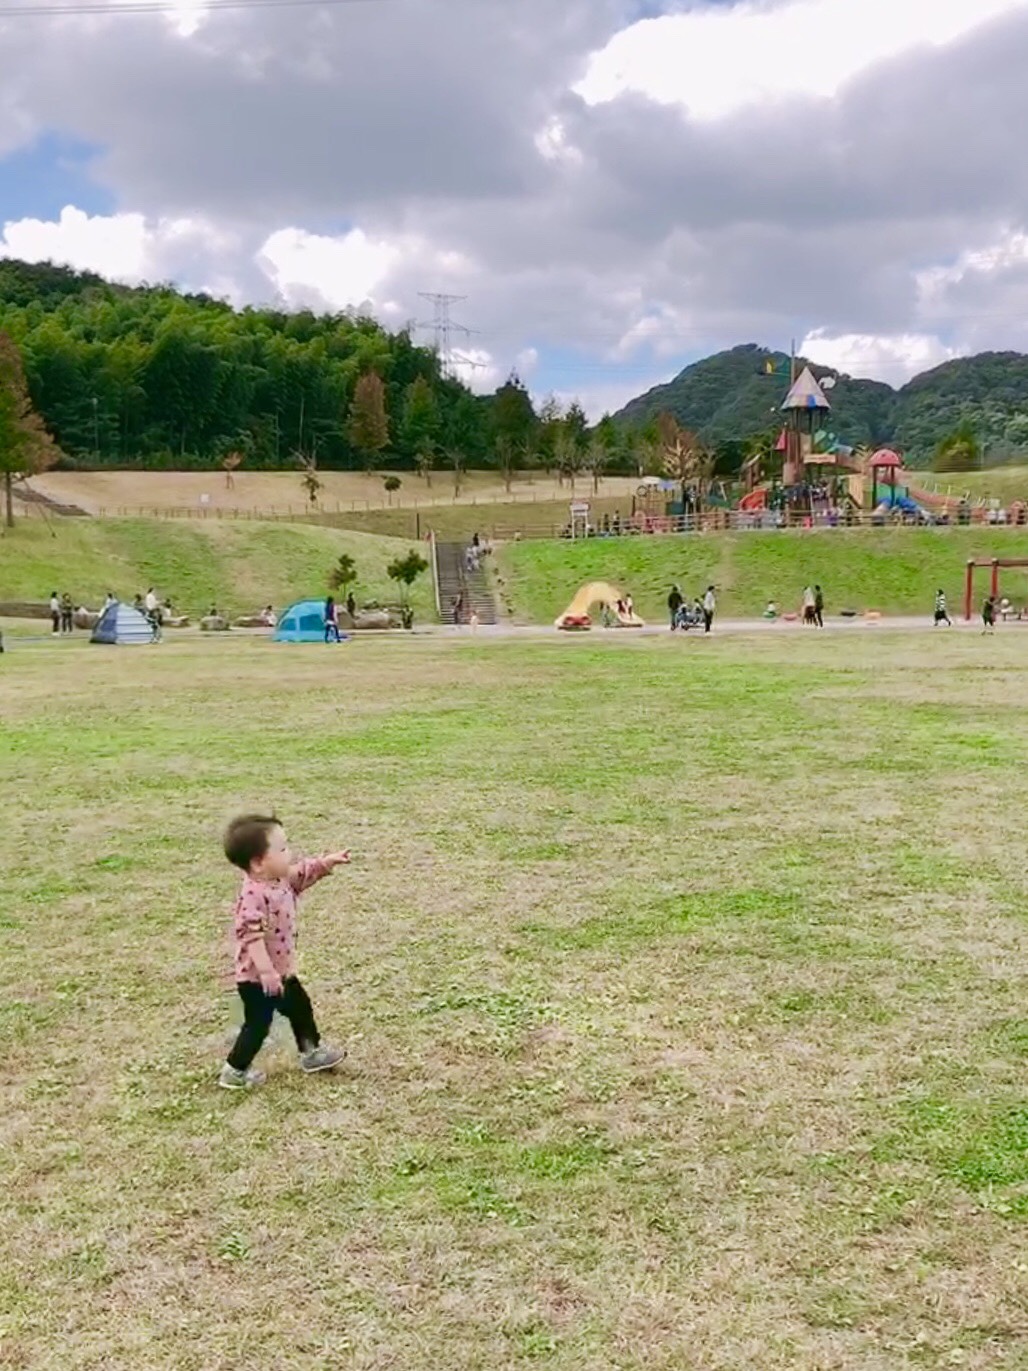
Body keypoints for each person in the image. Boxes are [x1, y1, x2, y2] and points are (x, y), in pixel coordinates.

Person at [219, 814, 350, 1090]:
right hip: (259, 979)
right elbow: (251, 937)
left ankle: (311, 1053)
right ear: (257, 863)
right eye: (281, 849)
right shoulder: (253, 894)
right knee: (258, 1025)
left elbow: (303, 872)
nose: (289, 853)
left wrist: (327, 862)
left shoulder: (281, 879)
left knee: (300, 1008)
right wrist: (266, 973)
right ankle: (234, 1070)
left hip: (282, 973)